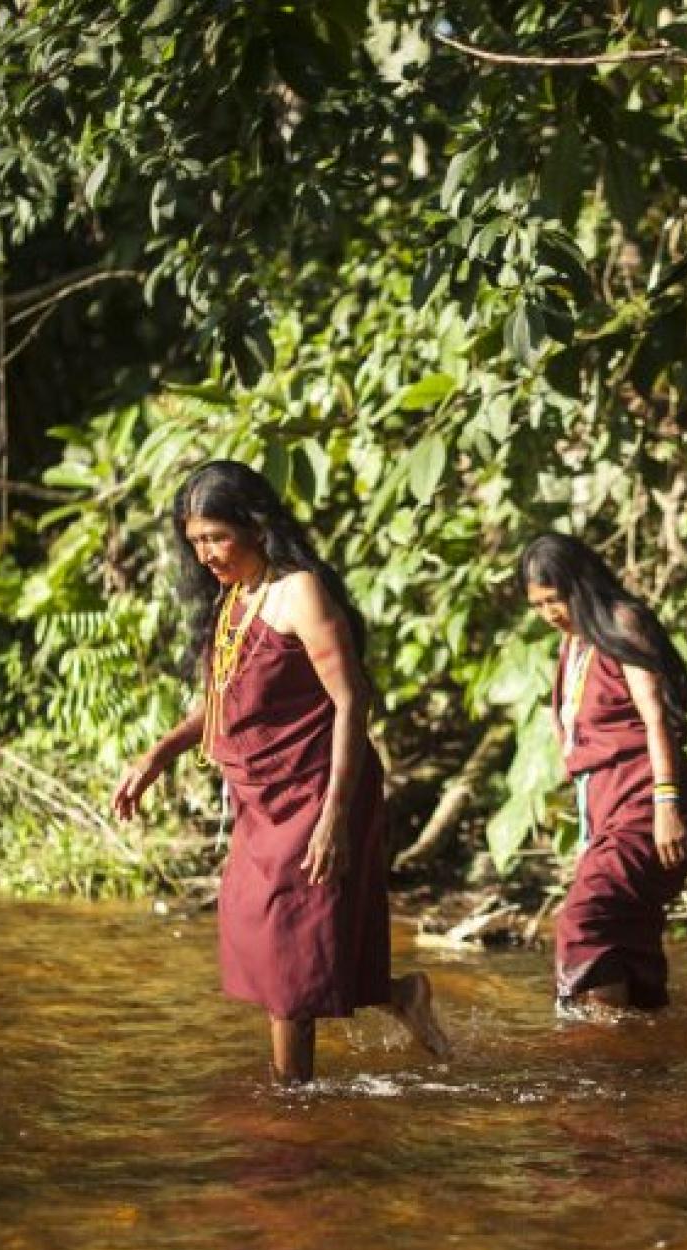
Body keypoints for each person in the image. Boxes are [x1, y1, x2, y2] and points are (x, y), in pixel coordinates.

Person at [111, 460, 448, 1083]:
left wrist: (333, 819)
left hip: (317, 790)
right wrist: (155, 757)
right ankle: (400, 996)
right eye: (195, 542)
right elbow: (217, 704)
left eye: (217, 537)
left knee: (291, 960)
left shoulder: (299, 591)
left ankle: (293, 1104)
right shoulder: (233, 597)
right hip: (260, 798)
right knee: (277, 950)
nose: (207, 554)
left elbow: (351, 700)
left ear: (257, 527)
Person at [519, 534, 687, 1010]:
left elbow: (654, 717)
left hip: (647, 790)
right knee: (628, 928)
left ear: (579, 585)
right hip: (606, 797)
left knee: (586, 917)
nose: (548, 615)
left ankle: (600, 1046)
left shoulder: (623, 622)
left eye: (554, 600)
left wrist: (667, 802)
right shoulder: (572, 642)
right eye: (537, 606)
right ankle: (637, 1054)